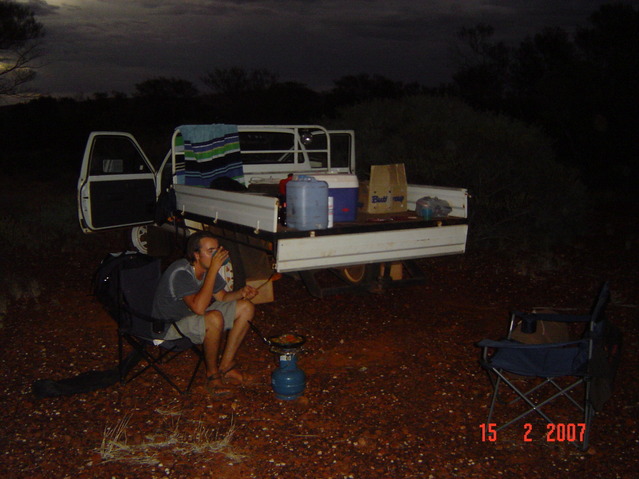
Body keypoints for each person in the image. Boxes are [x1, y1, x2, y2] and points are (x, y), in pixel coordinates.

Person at [152, 231, 259, 396]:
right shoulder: (181, 272)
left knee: (246, 307)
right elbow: (199, 309)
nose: (216, 255)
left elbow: (222, 296)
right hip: (169, 326)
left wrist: (241, 293)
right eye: (210, 251)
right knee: (213, 318)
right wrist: (214, 269)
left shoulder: (208, 269)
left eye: (217, 250)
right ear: (196, 255)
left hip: (191, 316)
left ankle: (227, 365)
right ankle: (212, 375)